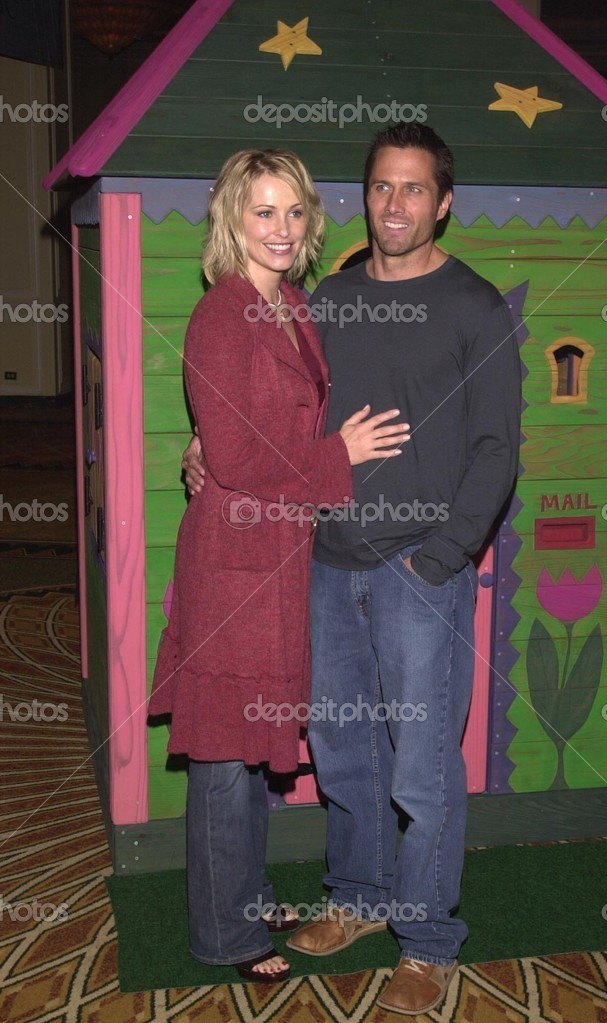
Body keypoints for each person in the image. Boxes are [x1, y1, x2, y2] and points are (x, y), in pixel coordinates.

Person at [183, 124, 521, 1011]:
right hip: (324, 564)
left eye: (414, 189)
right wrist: (202, 444)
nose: (394, 204)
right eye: (380, 187)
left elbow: (497, 451)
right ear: (363, 197)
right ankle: (359, 899)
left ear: (443, 203)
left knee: (421, 770)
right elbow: (271, 413)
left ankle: (427, 938)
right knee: (343, 753)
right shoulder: (323, 298)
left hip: (419, 570)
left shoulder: (476, 306)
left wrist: (443, 556)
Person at [148, 148, 411, 983]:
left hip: (281, 554)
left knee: (252, 746)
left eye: (294, 211)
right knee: (226, 751)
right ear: (232, 218)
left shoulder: (291, 303)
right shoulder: (222, 316)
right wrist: (339, 455)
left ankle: (247, 893)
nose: (282, 228)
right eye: (263, 211)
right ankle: (224, 932)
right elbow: (234, 456)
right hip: (234, 558)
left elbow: (251, 432)